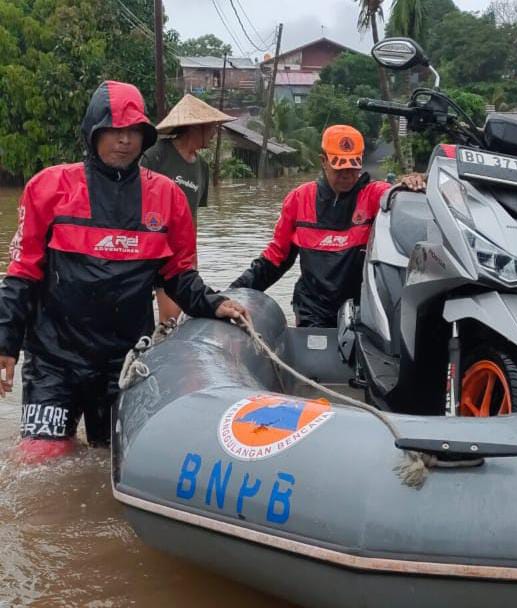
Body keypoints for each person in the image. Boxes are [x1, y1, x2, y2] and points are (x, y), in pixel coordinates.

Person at [0, 81, 247, 460]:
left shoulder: (167, 196)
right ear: (93, 133)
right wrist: (6, 343)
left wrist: (214, 303)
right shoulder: (48, 188)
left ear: (146, 138)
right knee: (42, 462)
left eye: (134, 131)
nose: (124, 140)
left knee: (114, 458)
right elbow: (22, 273)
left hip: (125, 360)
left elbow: (178, 275)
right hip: (54, 359)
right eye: (114, 130)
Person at [229, 124, 425, 327]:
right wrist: (233, 292)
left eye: (352, 167)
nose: (347, 175)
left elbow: (403, 199)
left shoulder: (376, 195)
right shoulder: (299, 199)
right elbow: (275, 259)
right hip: (312, 311)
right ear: (323, 161)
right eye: (340, 168)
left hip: (360, 310)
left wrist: (414, 182)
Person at [141, 94, 234, 322]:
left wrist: (193, 262)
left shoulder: (202, 167)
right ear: (195, 128)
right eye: (211, 128)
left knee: (173, 320)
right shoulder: (156, 156)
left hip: (178, 255)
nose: (214, 134)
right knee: (162, 318)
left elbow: (193, 219)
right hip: (151, 247)